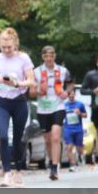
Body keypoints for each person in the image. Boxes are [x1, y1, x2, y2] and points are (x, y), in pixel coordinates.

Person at [0, 28, 35, 188]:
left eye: (10, 48)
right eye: (3, 47)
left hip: (19, 101)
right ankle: (6, 173)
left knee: (18, 139)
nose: (6, 50)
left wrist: (17, 83)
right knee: (3, 137)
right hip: (3, 102)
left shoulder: (23, 58)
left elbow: (31, 81)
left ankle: (18, 171)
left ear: (15, 45)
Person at [32, 46, 72, 181]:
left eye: (51, 56)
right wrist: (38, 90)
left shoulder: (62, 70)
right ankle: (51, 161)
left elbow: (71, 84)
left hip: (58, 106)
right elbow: (30, 92)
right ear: (42, 57)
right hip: (43, 109)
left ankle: (55, 167)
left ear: (55, 56)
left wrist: (67, 93)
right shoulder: (36, 72)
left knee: (55, 137)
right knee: (48, 140)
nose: (49, 59)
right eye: (46, 56)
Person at [62, 84, 87, 171]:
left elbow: (85, 115)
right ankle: (72, 165)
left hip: (78, 129)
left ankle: (80, 156)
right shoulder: (64, 105)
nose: (72, 96)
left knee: (79, 148)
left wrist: (80, 113)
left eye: (73, 94)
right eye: (70, 94)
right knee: (69, 147)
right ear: (68, 96)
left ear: (75, 95)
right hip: (68, 129)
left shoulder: (80, 104)